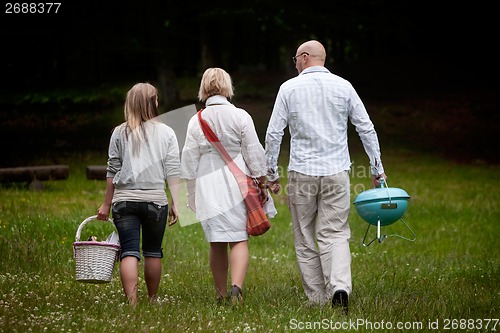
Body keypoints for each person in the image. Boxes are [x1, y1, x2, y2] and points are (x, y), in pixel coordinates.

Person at [265, 40, 387, 313]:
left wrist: (271, 173)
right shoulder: (344, 86)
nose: (294, 63)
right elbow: (366, 128)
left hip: (302, 172)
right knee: (335, 233)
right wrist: (376, 168)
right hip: (337, 172)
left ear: (305, 58)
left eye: (296, 58)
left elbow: (274, 133)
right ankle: (340, 287)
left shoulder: (288, 88)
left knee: (305, 236)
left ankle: (318, 297)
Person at [181, 68, 268, 305]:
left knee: (216, 240)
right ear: (228, 87)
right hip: (237, 182)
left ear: (204, 88)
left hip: (207, 184)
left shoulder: (195, 120)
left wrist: (189, 193)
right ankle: (236, 289)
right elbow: (253, 152)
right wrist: (262, 181)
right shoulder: (241, 116)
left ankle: (220, 294)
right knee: (239, 238)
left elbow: (189, 159)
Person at [97, 82, 181, 306]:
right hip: (155, 201)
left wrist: (106, 205)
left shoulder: (119, 132)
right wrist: (175, 203)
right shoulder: (167, 133)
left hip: (124, 202)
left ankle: (132, 303)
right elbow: (173, 171)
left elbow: (111, 171)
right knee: (153, 252)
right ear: (153, 103)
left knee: (129, 251)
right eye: (156, 99)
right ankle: (153, 300)